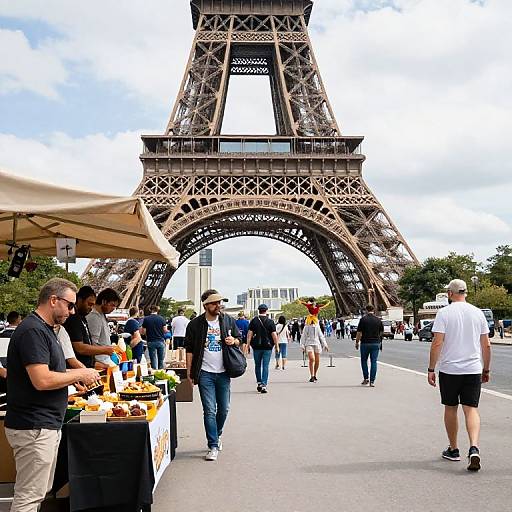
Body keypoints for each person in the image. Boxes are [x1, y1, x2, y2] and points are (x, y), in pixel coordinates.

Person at [5, 278, 100, 512]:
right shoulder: (34, 332)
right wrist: (81, 373)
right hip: (34, 425)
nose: (72, 311)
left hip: (40, 424)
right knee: (29, 496)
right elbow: (43, 380)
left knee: (36, 492)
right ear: (53, 300)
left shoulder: (40, 330)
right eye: (69, 305)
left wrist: (79, 374)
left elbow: (50, 373)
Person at [428, 279, 491, 472]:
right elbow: (486, 345)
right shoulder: (478, 312)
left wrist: (431, 369)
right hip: (473, 368)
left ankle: (454, 449)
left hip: (450, 370)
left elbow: (437, 343)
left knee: (451, 408)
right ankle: (474, 446)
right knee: (471, 409)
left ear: (449, 293)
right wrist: (486, 369)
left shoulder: (444, 313)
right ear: (466, 292)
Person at [184, 289, 240, 462]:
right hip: (205, 373)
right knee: (209, 410)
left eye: (220, 302)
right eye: (215, 303)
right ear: (206, 305)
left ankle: (217, 433)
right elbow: (190, 350)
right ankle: (213, 445)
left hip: (224, 372)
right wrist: (189, 373)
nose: (218, 305)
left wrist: (234, 341)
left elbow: (239, 339)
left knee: (224, 409)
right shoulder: (194, 324)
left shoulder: (228, 320)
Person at [63, 286, 114, 368]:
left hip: (87, 367)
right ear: (79, 300)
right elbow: (79, 348)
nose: (91, 308)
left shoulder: (82, 317)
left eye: (93, 305)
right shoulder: (73, 318)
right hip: (78, 370)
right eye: (89, 304)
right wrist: (105, 350)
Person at [245, 304, 279, 394]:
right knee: (265, 366)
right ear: (266, 310)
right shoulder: (270, 321)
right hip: (267, 347)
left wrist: (248, 345)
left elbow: (249, 334)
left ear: (258, 310)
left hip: (256, 346)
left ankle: (259, 382)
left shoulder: (254, 321)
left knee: (257, 365)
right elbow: (274, 335)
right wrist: (277, 346)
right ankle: (264, 384)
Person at [86, 288, 121, 368]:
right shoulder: (94, 316)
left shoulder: (101, 315)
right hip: (101, 362)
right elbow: (92, 343)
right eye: (112, 305)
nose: (113, 309)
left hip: (105, 359)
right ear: (104, 301)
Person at [355, 305, 383, 387]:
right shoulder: (378, 320)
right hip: (375, 343)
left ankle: (366, 378)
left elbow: (359, 333)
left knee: (364, 361)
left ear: (366, 310)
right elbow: (381, 332)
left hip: (365, 343)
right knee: (374, 361)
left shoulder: (363, 320)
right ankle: (372, 381)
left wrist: (357, 342)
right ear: (373, 310)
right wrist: (379, 341)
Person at [142, 305, 168, 369]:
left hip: (151, 341)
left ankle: (154, 372)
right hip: (160, 341)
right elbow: (165, 330)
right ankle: (161, 373)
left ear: (150, 310)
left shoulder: (146, 319)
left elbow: (143, 332)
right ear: (157, 310)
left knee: (153, 360)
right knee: (161, 360)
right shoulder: (162, 318)